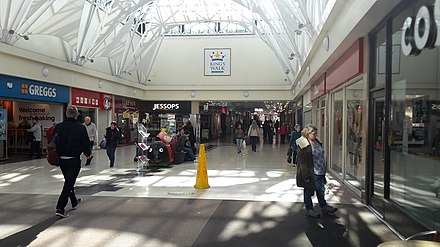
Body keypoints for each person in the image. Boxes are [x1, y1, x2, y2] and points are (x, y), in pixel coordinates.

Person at [54, 105, 91, 218]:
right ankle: (60, 207)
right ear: (76, 115)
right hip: (73, 159)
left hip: (62, 159)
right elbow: (85, 142)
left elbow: (54, 141)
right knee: (69, 183)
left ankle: (74, 201)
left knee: (69, 181)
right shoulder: (80, 127)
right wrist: (87, 154)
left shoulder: (59, 126)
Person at [296, 124, 337, 218]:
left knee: (321, 190)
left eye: (316, 133)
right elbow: (302, 162)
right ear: (307, 133)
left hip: (320, 170)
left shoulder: (317, 141)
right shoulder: (303, 144)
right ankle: (309, 209)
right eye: (313, 133)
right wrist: (305, 176)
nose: (315, 135)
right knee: (309, 190)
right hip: (312, 172)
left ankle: (324, 207)